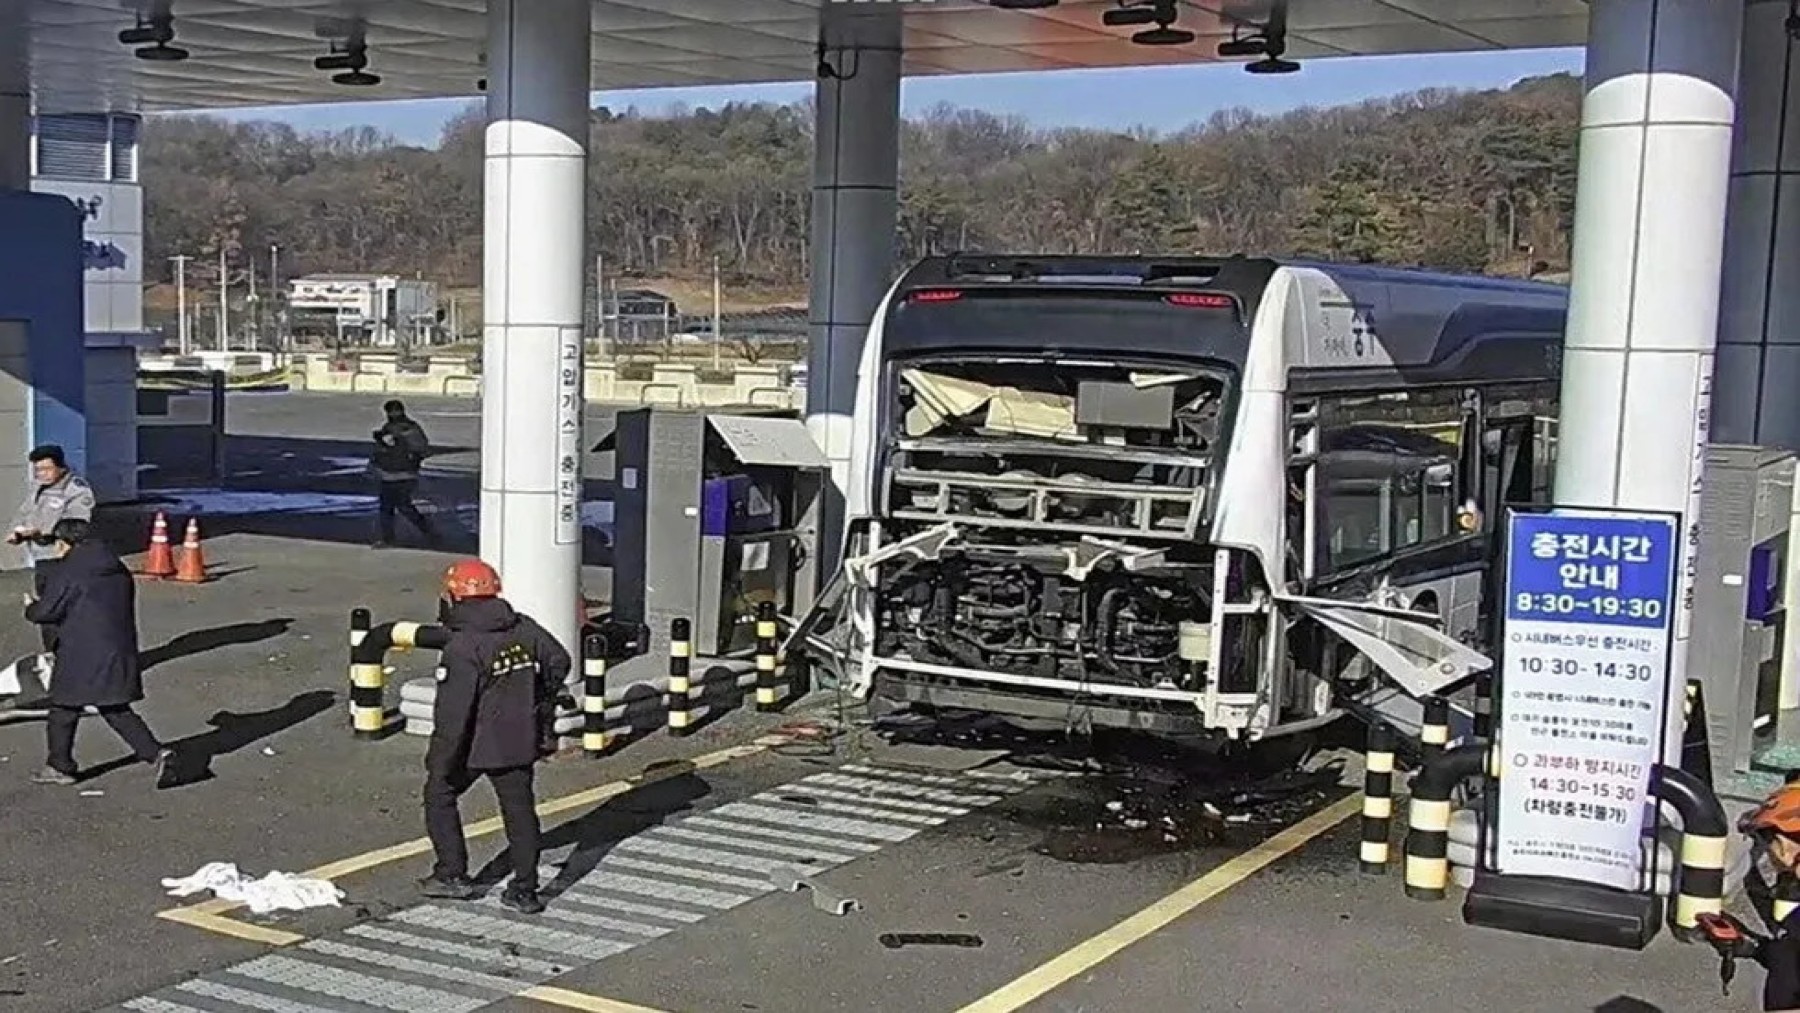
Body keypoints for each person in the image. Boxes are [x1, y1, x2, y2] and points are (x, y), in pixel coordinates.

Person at [420, 558, 570, 914]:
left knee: (439, 794)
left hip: (475, 744)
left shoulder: (462, 647)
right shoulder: (523, 627)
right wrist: (538, 697)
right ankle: (525, 890)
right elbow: (559, 661)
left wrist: (440, 759)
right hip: (519, 737)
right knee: (520, 812)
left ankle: (452, 874)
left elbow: (454, 715)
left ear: (454, 597)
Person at [23, 518, 172, 787]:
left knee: (63, 709)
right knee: (113, 706)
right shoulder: (116, 567)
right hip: (117, 647)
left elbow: (46, 611)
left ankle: (60, 766)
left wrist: (30, 606)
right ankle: (156, 753)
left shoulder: (70, 571)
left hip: (80, 651)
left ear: (65, 543)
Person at [10, 444, 95, 652]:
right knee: (47, 609)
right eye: (38, 469)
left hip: (62, 557)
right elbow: (25, 512)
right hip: (42, 558)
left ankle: (69, 653)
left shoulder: (76, 489)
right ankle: (52, 653)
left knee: (62, 608)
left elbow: (76, 525)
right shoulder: (38, 486)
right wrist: (16, 531)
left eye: (47, 469)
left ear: (61, 467)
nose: (42, 474)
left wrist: (42, 532)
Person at [369, 399, 437, 548]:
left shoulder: (405, 429)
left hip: (401, 474)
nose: (392, 414)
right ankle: (392, 538)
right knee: (393, 507)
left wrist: (391, 442)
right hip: (392, 474)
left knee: (399, 507)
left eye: (393, 411)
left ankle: (426, 531)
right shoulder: (394, 428)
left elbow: (418, 448)